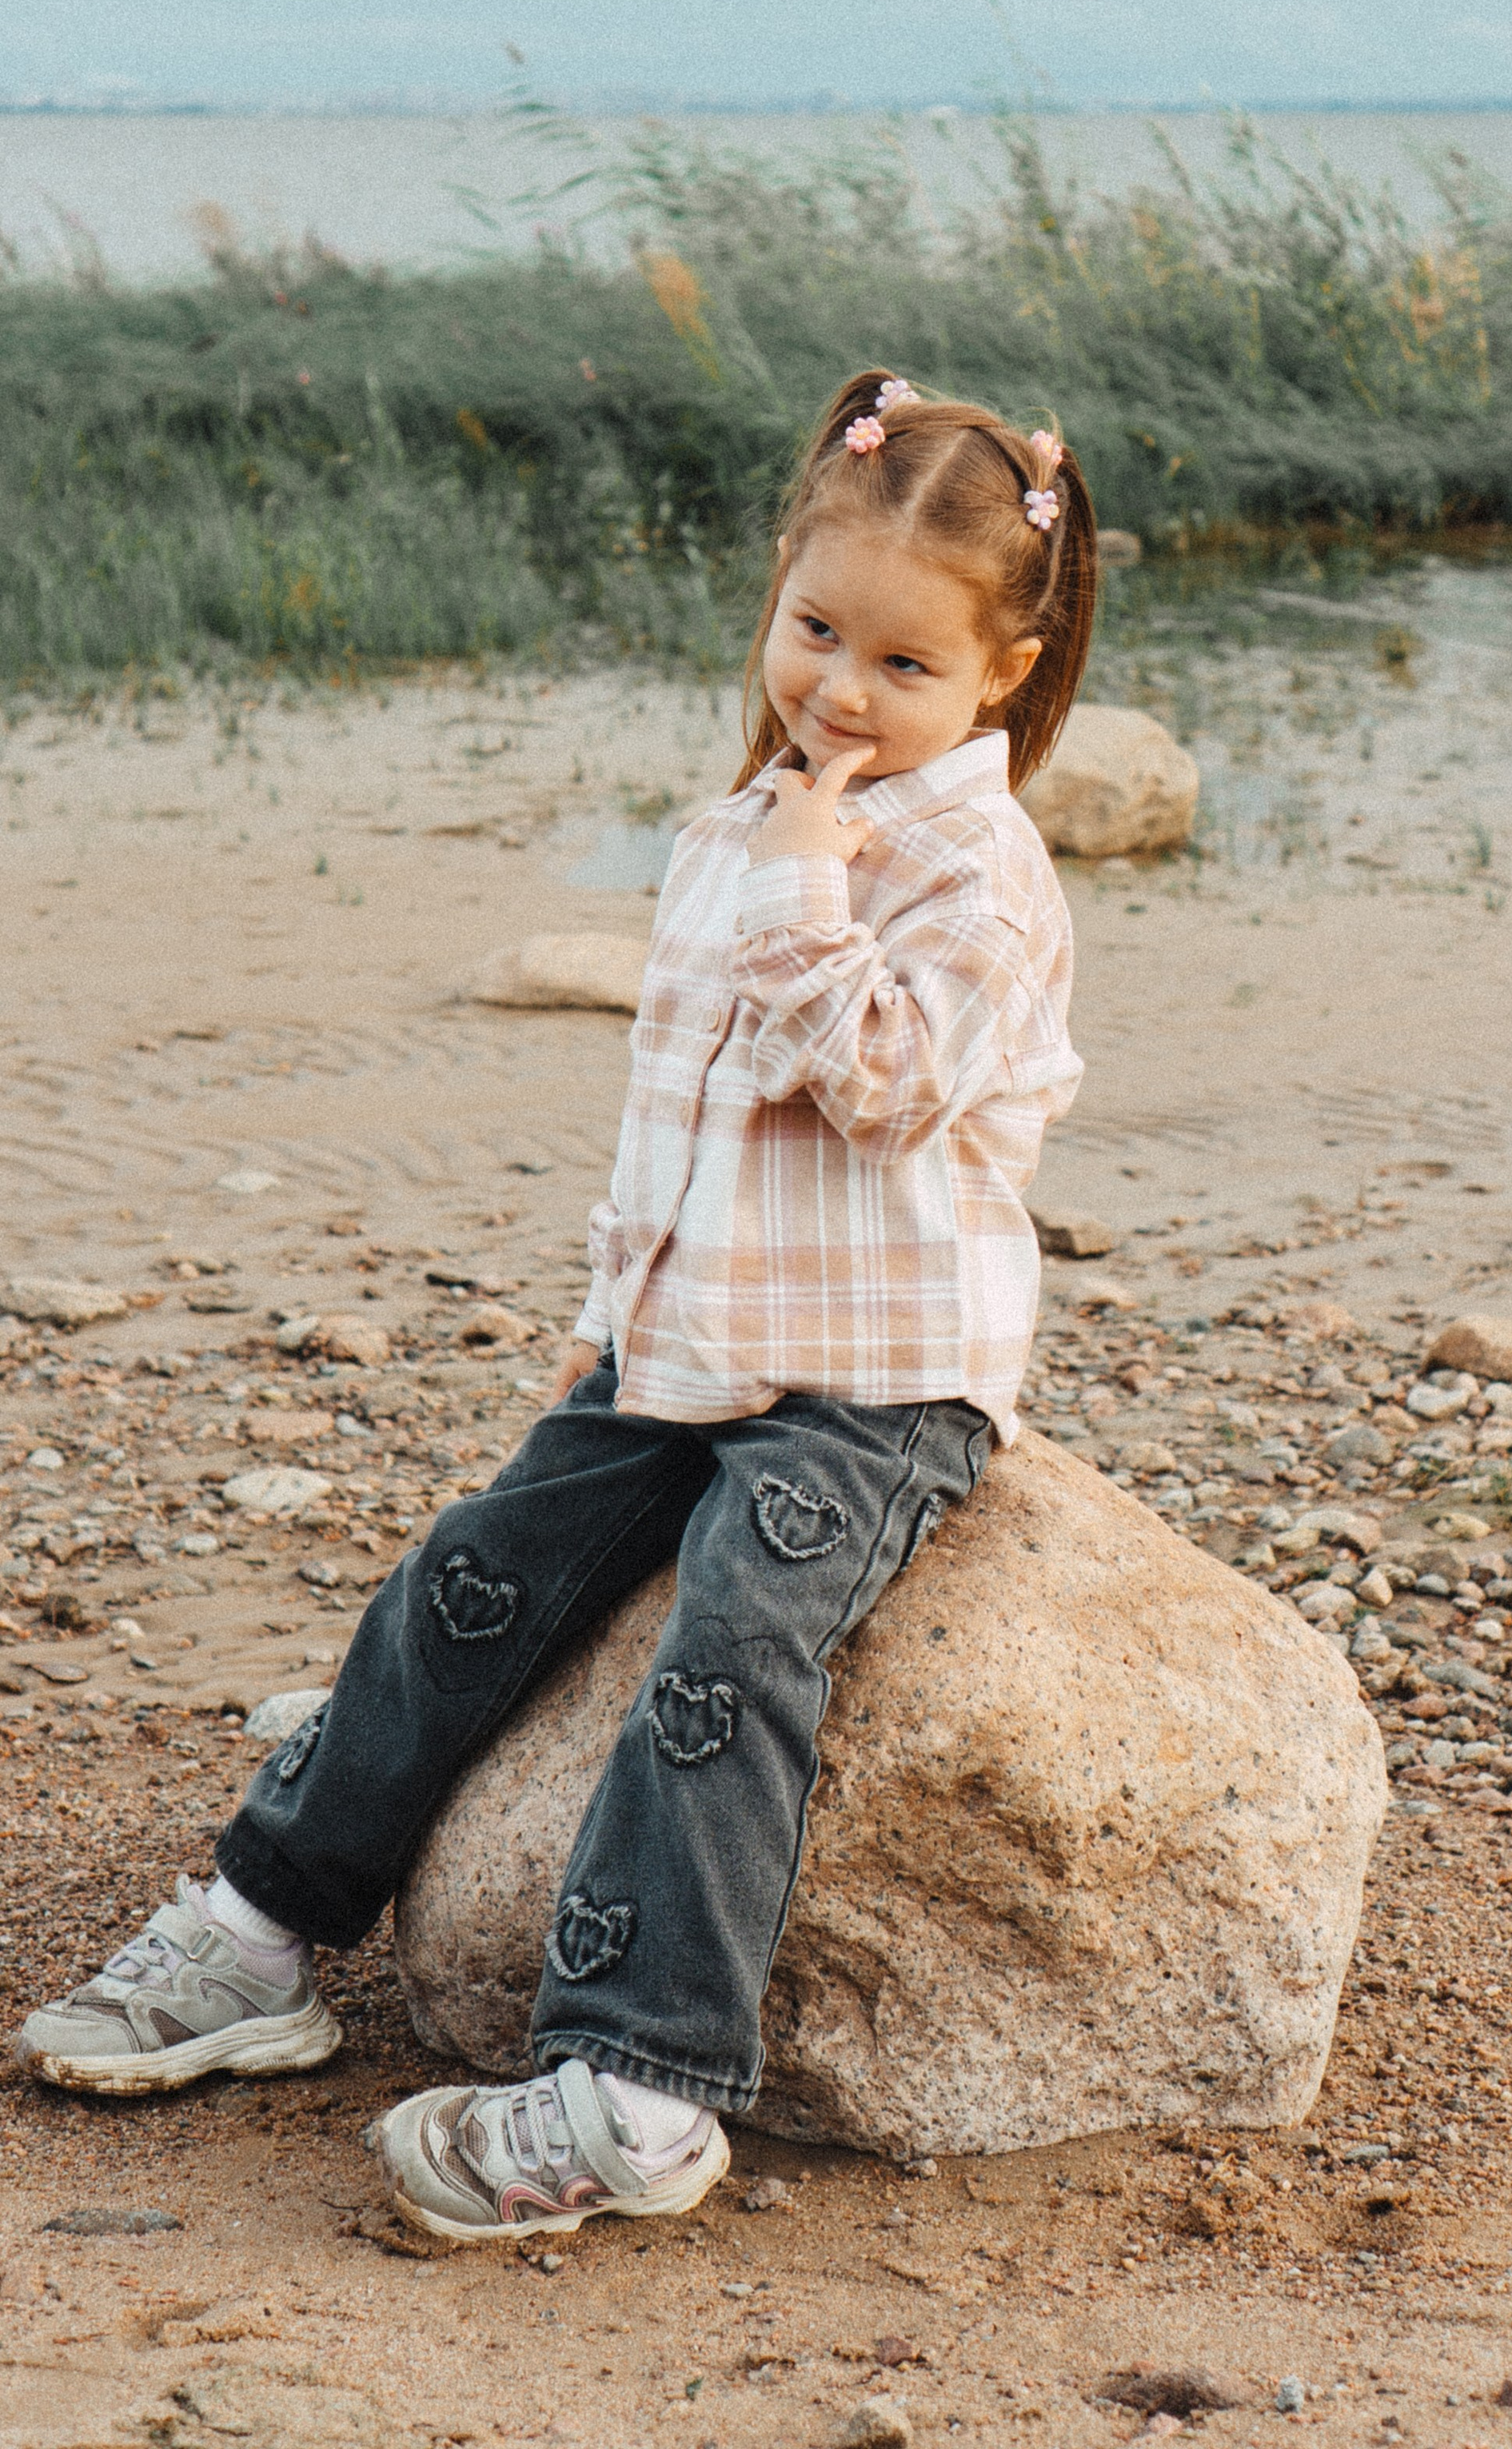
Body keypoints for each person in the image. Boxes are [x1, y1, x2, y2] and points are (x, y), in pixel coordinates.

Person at [17, 370, 1095, 2243]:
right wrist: (621, 1314)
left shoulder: (967, 872)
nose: (841, 690)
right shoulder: (762, 811)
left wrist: (804, 887)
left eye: (903, 667)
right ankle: (261, 1929)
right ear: (776, 584)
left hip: (878, 1381)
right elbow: (681, 1110)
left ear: (998, 676)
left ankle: (639, 2087)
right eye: (816, 630)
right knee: (474, 1572)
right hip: (691, 1348)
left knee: (730, 1654)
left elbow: (883, 1087)